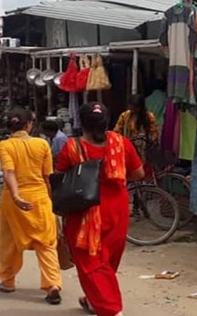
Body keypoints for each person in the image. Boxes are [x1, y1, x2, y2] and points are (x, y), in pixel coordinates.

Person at [57, 102, 144, 316]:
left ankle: (111, 310)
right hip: (116, 210)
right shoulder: (121, 143)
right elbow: (138, 174)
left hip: (84, 212)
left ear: (81, 123)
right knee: (108, 258)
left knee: (92, 263)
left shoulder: (71, 147)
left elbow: (61, 180)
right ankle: (93, 300)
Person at [0, 108, 62, 305]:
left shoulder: (4, 146)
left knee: (9, 242)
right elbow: (47, 177)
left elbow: (9, 172)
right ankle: (52, 284)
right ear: (29, 125)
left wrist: (16, 196)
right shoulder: (42, 144)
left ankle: (7, 281)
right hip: (40, 198)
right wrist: (53, 201)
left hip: (12, 201)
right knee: (46, 243)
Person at [114, 94, 159, 164]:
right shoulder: (124, 116)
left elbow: (154, 133)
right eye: (131, 106)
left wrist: (150, 139)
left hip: (144, 149)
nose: (133, 109)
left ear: (141, 107)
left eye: (135, 107)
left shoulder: (149, 117)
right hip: (128, 147)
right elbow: (117, 132)